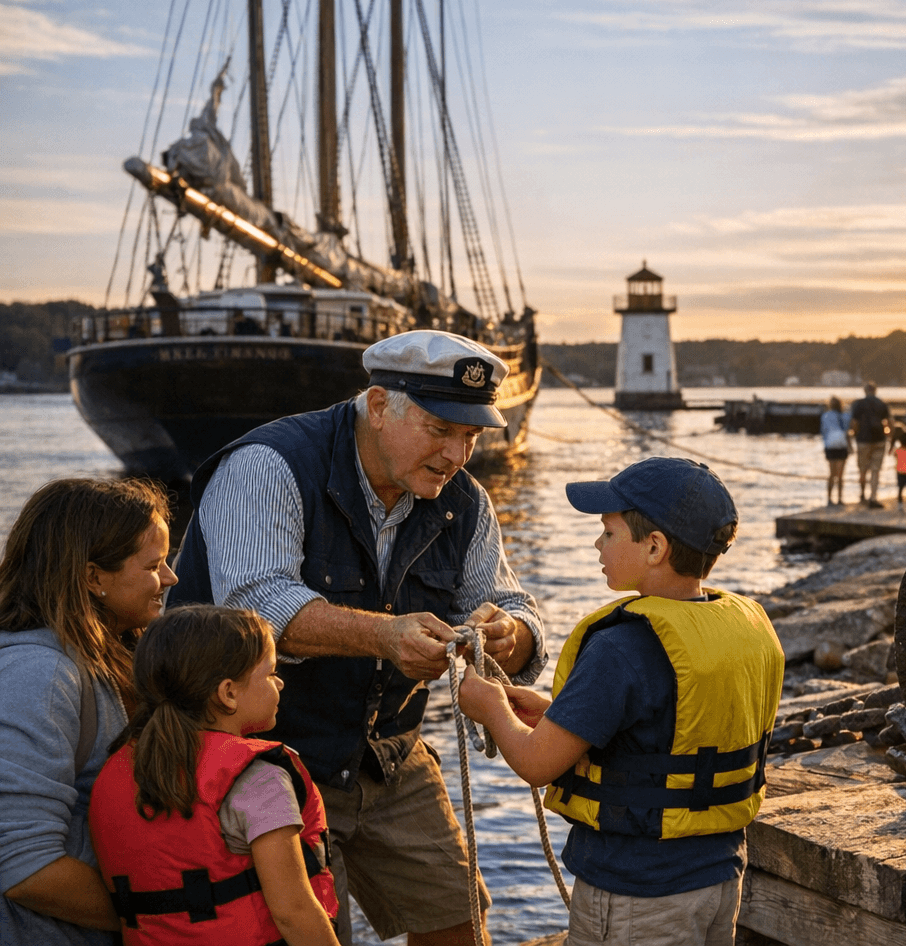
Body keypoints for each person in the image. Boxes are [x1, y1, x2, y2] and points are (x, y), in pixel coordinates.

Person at [168, 329, 546, 946]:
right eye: (440, 429)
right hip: (265, 761)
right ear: (377, 404)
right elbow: (254, 609)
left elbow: (511, 604)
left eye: (471, 436)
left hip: (387, 753)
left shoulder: (464, 501)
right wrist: (385, 636)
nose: (457, 454)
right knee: (312, 932)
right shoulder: (268, 466)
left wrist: (509, 635)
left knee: (458, 922)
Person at [457, 457, 784, 946]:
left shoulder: (620, 647)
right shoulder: (743, 626)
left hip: (635, 894)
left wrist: (489, 708)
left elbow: (535, 763)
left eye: (608, 533)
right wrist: (554, 714)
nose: (597, 544)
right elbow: (664, 737)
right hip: (717, 877)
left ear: (654, 547)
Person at [89, 606, 339, 946]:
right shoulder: (258, 780)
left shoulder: (121, 771)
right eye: (270, 673)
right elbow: (293, 911)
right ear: (228, 693)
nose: (279, 682)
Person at [0, 477, 176, 945]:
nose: (171, 578)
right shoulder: (39, 674)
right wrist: (166, 921)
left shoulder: (118, 651)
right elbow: (24, 866)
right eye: (155, 565)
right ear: (93, 577)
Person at [848, 382, 891, 508]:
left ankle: (862, 495)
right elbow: (889, 422)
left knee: (862, 470)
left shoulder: (859, 404)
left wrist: (855, 435)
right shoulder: (882, 404)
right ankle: (873, 497)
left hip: (862, 440)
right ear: (875, 391)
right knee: (875, 470)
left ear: (865, 391)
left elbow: (854, 423)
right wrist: (890, 436)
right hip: (879, 440)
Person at [819, 396, 851, 505]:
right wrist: (850, 446)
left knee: (832, 474)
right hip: (842, 445)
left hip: (830, 445)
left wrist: (825, 444)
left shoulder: (825, 416)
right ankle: (840, 498)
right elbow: (848, 432)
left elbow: (824, 432)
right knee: (841, 475)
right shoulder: (845, 416)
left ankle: (829, 499)